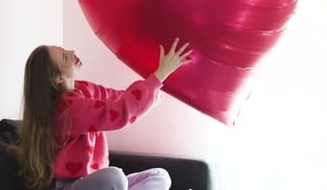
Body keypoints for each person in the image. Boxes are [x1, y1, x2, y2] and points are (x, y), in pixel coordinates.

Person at [13, 38, 193, 190]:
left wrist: (156, 81)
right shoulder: (67, 108)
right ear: (58, 78)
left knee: (160, 177)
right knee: (114, 177)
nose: (71, 51)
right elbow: (119, 111)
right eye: (64, 56)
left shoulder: (82, 89)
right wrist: (159, 75)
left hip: (95, 183)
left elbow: (120, 99)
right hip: (70, 186)